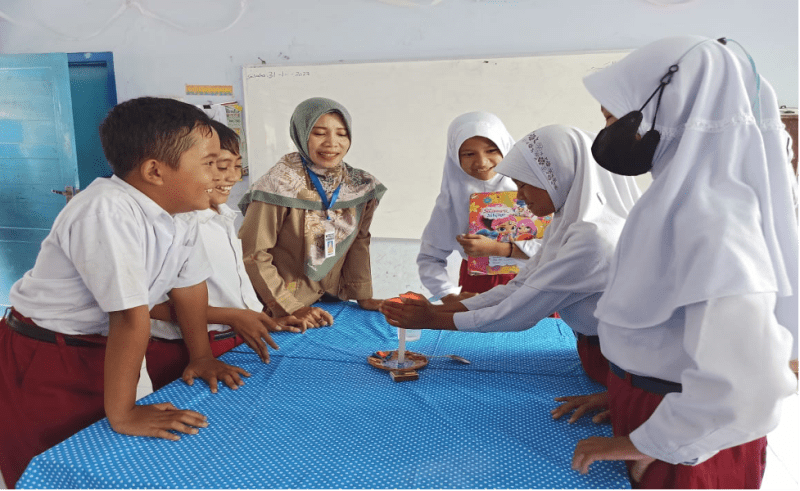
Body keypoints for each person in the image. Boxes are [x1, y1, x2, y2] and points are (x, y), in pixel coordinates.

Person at [570, 36, 799, 489]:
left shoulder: (713, 218)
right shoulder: (682, 200)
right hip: (667, 414)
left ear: (673, 108)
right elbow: (676, 335)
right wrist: (627, 386)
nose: (611, 133)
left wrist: (651, 442)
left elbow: (749, 392)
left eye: (617, 118)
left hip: (688, 447)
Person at [0, 97, 249, 489]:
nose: (220, 177)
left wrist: (201, 356)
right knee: (52, 457)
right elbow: (130, 316)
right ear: (155, 171)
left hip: (107, 349)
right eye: (209, 164)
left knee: (115, 464)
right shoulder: (106, 211)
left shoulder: (182, 214)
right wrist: (125, 412)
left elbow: (189, 289)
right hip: (48, 353)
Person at [381, 123, 641, 389]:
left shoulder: (594, 239)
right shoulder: (568, 224)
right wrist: (437, 309)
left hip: (627, 364)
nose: (518, 197)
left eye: (524, 185)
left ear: (560, 176)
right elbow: (519, 287)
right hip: (601, 353)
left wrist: (432, 319)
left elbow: (519, 311)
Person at [147, 120, 302, 391]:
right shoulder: (175, 222)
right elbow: (145, 306)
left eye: (237, 166)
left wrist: (259, 318)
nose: (232, 177)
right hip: (182, 349)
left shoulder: (223, 216)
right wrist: (231, 316)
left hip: (233, 340)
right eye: (219, 166)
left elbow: (233, 289)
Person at [238, 97, 387, 330]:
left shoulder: (359, 185)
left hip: (329, 302)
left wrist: (363, 295)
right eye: (319, 133)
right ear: (301, 134)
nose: (332, 143)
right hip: (278, 308)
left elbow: (359, 240)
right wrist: (290, 306)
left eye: (341, 134)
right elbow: (254, 253)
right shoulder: (276, 186)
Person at [417, 112, 542, 303]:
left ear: (506, 147)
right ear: (454, 155)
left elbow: (555, 248)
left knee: (538, 333)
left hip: (535, 284)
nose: (481, 162)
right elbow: (429, 258)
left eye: (491, 150)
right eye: (468, 154)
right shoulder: (452, 199)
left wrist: (499, 249)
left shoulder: (535, 191)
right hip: (477, 289)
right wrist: (447, 295)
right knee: (479, 332)